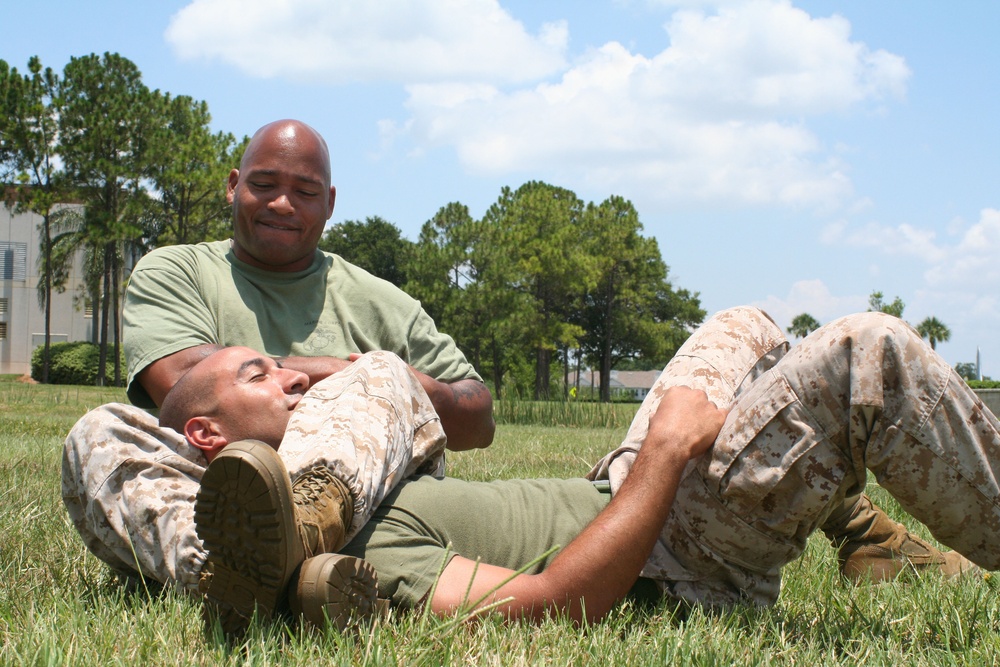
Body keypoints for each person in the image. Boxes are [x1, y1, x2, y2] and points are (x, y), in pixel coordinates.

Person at [180, 306, 990, 627]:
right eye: (259, 376)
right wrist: (667, 450)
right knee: (867, 356)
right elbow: (550, 607)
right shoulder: (356, 560)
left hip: (627, 485)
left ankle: (864, 536)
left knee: (745, 323)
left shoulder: (365, 475)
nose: (291, 376)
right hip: (677, 552)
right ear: (207, 436)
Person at [61, 119, 495, 634]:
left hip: (365, 500)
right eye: (264, 185)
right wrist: (336, 373)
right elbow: (183, 381)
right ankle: (233, 573)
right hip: (221, 499)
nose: (282, 204)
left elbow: (479, 416)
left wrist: (394, 387)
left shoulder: (383, 302)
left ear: (329, 203)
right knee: (98, 432)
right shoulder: (176, 270)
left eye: (305, 191)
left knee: (383, 372)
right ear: (232, 185)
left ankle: (284, 552)